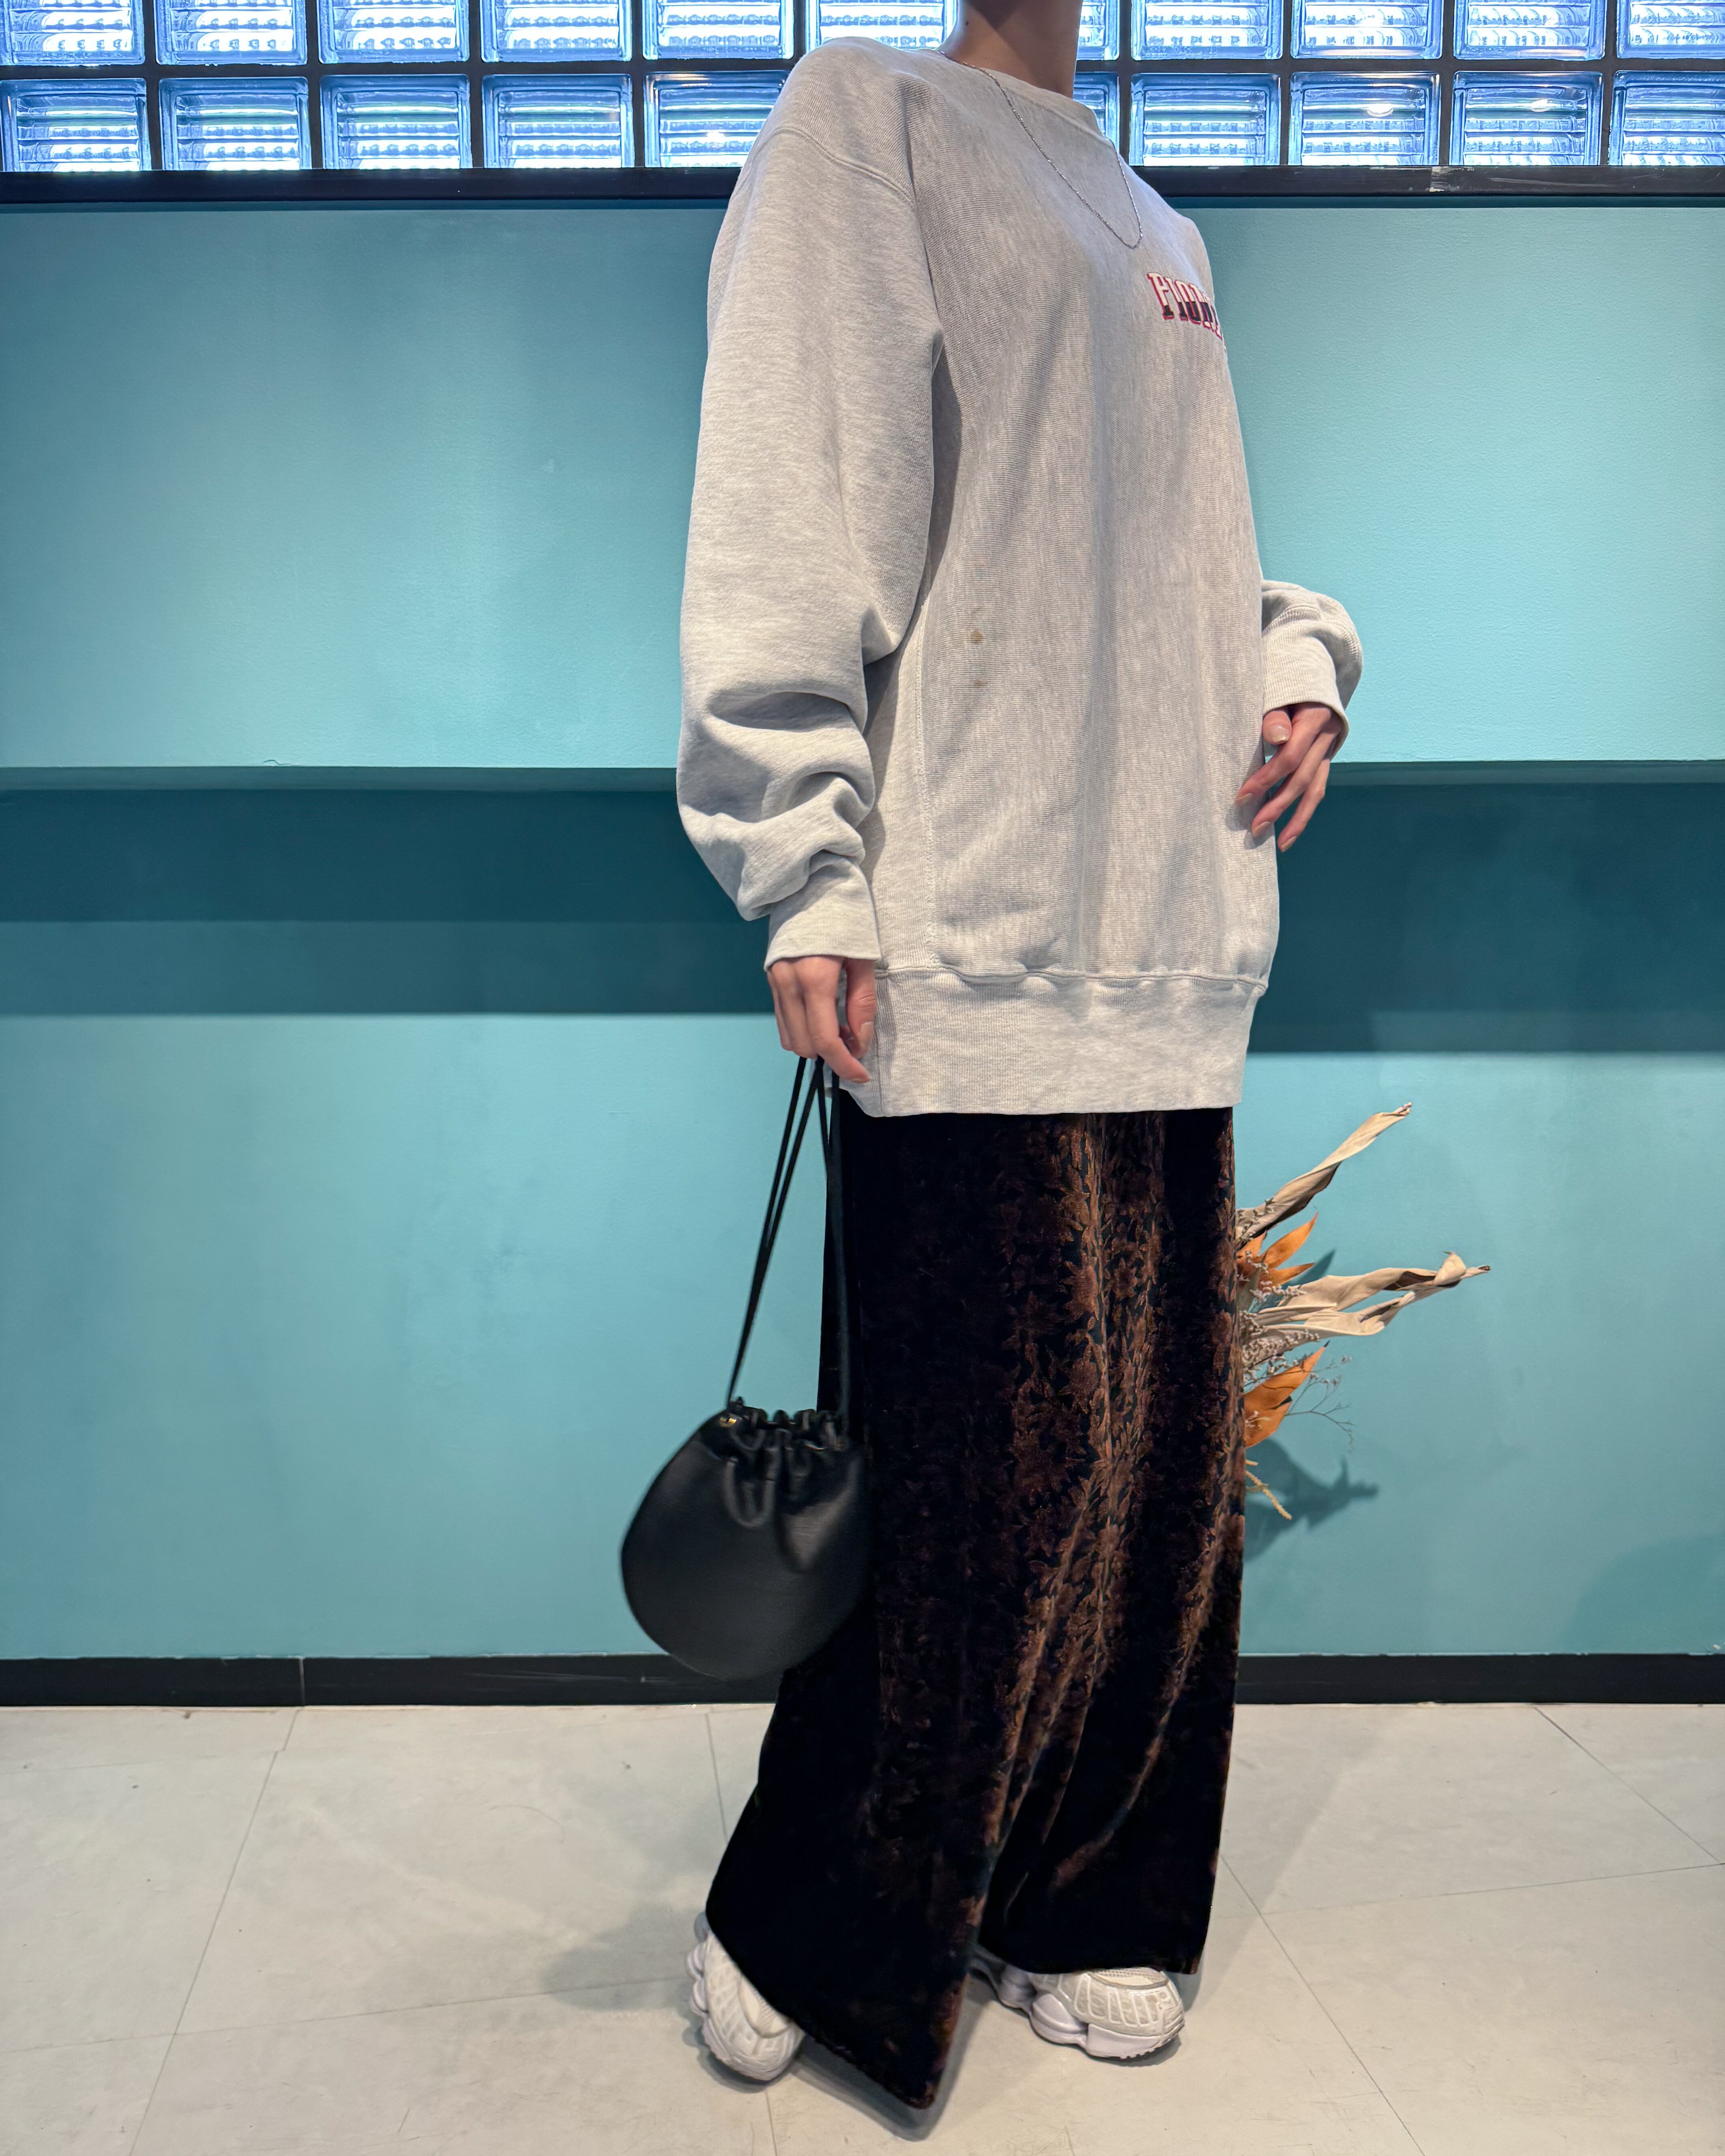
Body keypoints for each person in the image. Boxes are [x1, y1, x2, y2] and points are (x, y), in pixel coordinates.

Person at [675, 0, 1360, 2115]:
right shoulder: (868, 116)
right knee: (975, 1488)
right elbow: (794, 487)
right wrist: (806, 860)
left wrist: (1297, 656)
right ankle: (809, 1919)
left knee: (1153, 1495)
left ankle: (1086, 1900)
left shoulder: (1156, 219)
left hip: (1170, 924)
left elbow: (1169, 538)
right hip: (969, 924)